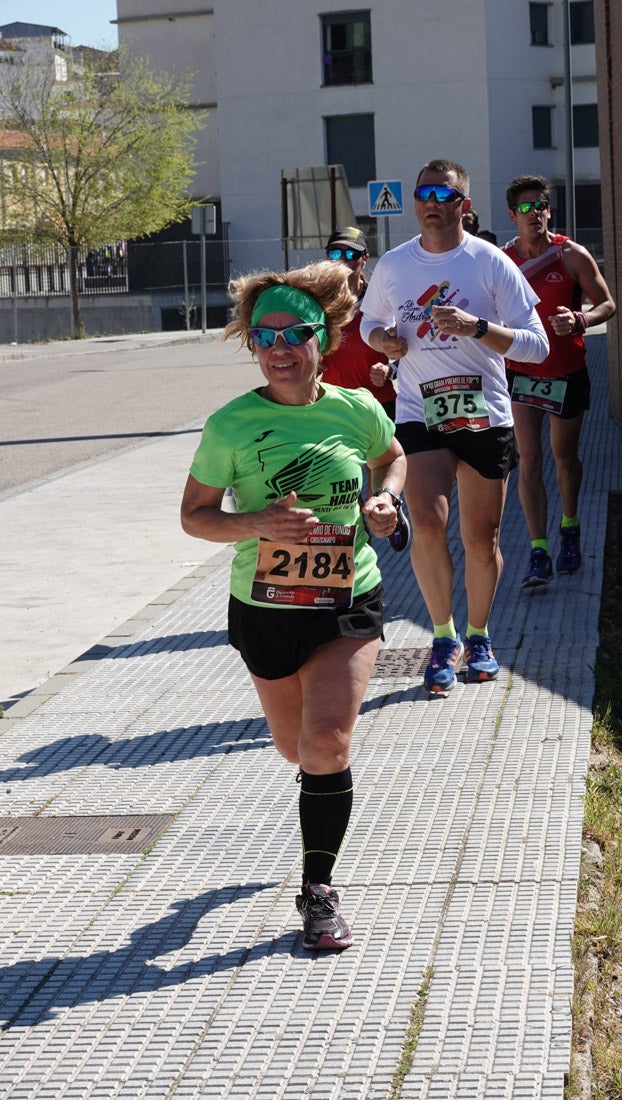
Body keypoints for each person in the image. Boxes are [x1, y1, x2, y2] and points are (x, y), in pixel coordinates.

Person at [180, 261, 406, 950]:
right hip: (264, 607)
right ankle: (315, 823)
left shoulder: (355, 408)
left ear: (323, 338)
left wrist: (385, 499)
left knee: (324, 745)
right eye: (264, 334)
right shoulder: (229, 424)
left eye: (294, 333)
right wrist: (253, 525)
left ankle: (317, 890)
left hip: (346, 600)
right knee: (292, 747)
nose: (280, 347)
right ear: (251, 344)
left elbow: (392, 456)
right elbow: (194, 516)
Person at [360, 158, 549, 694]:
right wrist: (382, 342)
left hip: (484, 414)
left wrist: (480, 328)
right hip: (420, 412)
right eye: (424, 194)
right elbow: (370, 321)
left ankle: (479, 635)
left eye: (445, 195)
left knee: (480, 536)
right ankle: (443, 638)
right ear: (415, 203)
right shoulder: (395, 266)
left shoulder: (490, 263)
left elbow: (537, 345)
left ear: (463, 204)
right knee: (424, 519)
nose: (433, 203)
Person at [503, 174, 616, 587]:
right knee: (528, 461)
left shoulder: (571, 254)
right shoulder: (502, 260)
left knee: (564, 459)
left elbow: (608, 302)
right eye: (527, 208)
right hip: (520, 374)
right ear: (513, 215)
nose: (536, 214)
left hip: (566, 372)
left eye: (542, 206)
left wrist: (581, 319)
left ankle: (570, 527)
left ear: (550, 210)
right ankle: (539, 550)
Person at [321, 227, 409, 551]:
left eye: (351, 255)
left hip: (379, 402)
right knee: (346, 479)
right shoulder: (320, 304)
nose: (343, 261)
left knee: (380, 469)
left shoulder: (381, 301)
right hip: (335, 403)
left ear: (364, 259)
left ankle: (389, 509)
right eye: (335, 253)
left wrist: (390, 369)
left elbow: (403, 348)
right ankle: (364, 527)